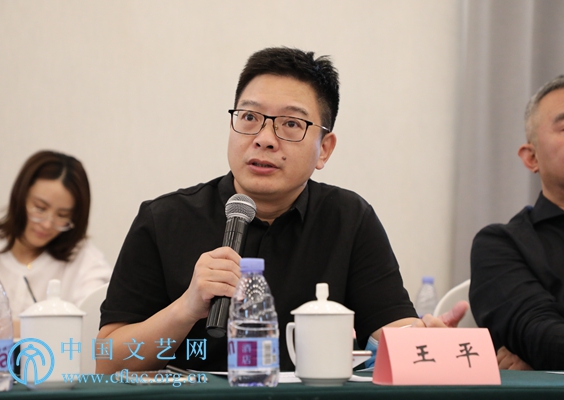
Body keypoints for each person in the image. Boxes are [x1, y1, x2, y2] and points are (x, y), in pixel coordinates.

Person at [98, 47, 467, 374]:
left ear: (324, 149)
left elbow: (393, 331)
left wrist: (425, 342)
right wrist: (186, 307)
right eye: (249, 117)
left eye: (291, 124)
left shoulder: (349, 219)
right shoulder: (164, 220)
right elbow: (107, 362)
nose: (264, 139)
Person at [470, 72, 564, 370]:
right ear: (532, 158)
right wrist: (543, 354)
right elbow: (541, 339)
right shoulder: (502, 244)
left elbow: (549, 353)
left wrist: (544, 362)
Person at [0, 150, 112, 337]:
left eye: (62, 215)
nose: (47, 224)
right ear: (20, 197)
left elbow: (91, 325)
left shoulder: (86, 262)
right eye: (40, 208)